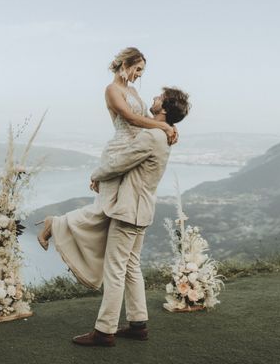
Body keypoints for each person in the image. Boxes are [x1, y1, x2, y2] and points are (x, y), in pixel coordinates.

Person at [35, 48, 177, 290]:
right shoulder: (112, 90)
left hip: (135, 152)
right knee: (105, 208)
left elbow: (145, 123)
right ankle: (55, 224)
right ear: (125, 65)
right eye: (138, 69)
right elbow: (130, 118)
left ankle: (59, 226)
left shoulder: (132, 91)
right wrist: (164, 128)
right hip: (119, 151)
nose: (140, 75)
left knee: (111, 209)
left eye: (143, 71)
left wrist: (168, 126)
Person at [71, 87, 191, 346]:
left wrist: (95, 175)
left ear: (164, 109)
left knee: (114, 270)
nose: (154, 99)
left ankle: (104, 331)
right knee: (131, 267)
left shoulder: (153, 137)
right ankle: (138, 325)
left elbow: (119, 162)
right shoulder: (164, 135)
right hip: (142, 210)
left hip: (128, 211)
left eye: (159, 98)